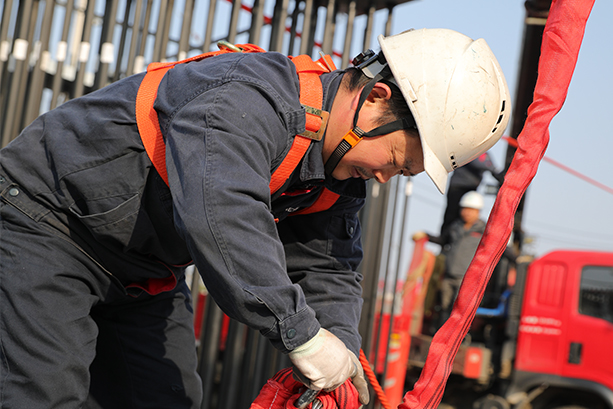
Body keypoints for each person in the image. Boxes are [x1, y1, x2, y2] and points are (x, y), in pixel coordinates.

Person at [0, 28, 510, 408]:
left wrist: (339, 354)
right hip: (49, 225)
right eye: (397, 161)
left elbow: (327, 268)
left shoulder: (337, 176)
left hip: (143, 274)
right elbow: (223, 212)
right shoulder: (246, 97)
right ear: (376, 99)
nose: (384, 177)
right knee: (42, 394)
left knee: (165, 399)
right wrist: (301, 333)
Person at [439, 152, 504, 238]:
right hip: (459, 187)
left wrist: (500, 176)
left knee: (464, 217)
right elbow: (479, 162)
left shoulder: (484, 153)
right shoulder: (473, 150)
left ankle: (457, 238)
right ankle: (446, 237)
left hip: (470, 187)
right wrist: (496, 172)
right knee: (453, 213)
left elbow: (486, 163)